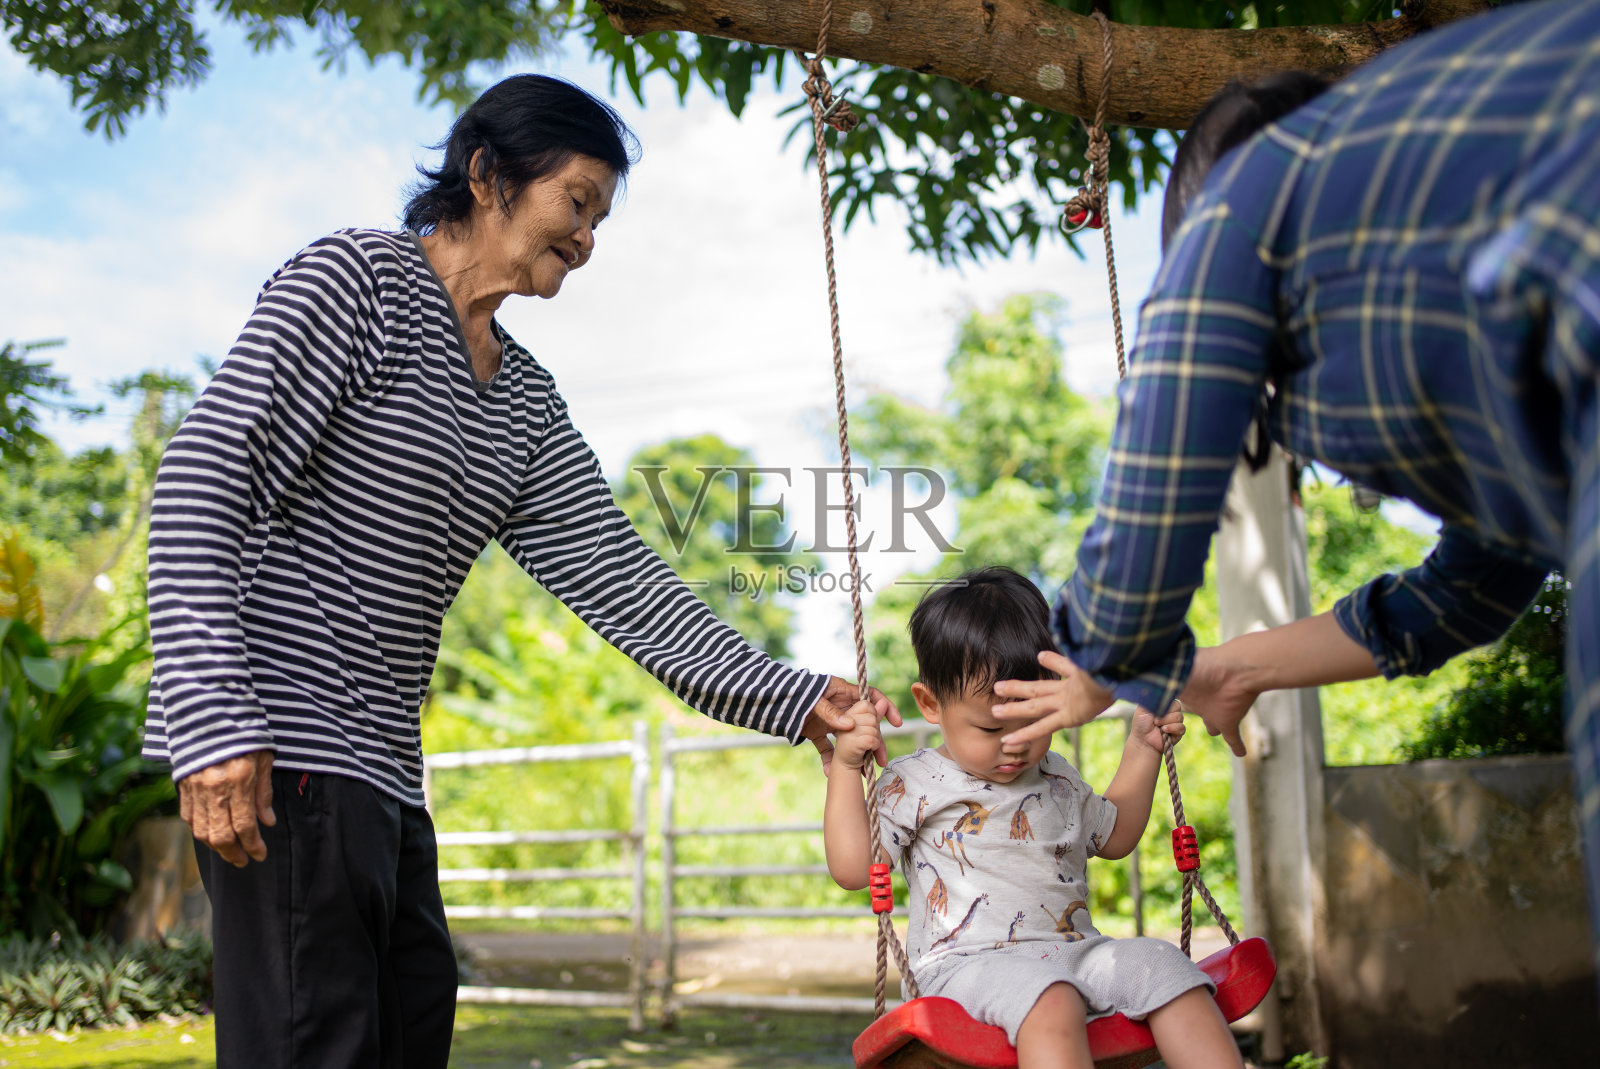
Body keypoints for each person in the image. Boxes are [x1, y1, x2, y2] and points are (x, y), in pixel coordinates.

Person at [143, 74, 896, 1068]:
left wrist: (796, 698)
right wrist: (211, 717)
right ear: (487, 173)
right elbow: (201, 479)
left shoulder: (523, 402)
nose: (586, 239)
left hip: (385, 780)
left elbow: (624, 581)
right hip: (287, 752)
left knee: (414, 1024)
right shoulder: (358, 283)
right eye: (576, 202)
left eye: (598, 220)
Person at [988, 0, 1600, 975]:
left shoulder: (1238, 210)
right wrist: (1227, 670)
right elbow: (1466, 595)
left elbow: (1127, 599)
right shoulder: (1467, 194)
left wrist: (1101, 658)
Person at [823, 568, 1241, 1069]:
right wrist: (845, 768)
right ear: (931, 704)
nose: (1016, 744)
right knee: (1051, 997)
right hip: (965, 969)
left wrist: (1144, 747)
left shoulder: (1056, 774)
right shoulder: (912, 781)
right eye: (990, 728)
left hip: (1078, 956)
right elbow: (854, 868)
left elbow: (1114, 836)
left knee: (1164, 966)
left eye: (1034, 722)